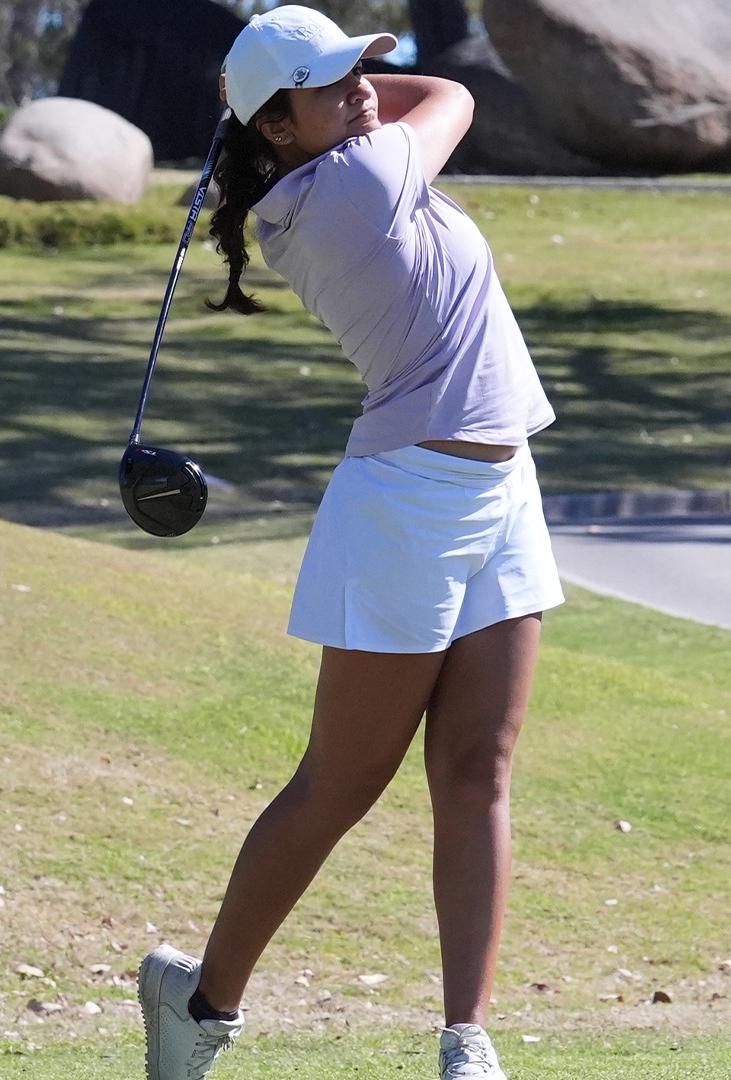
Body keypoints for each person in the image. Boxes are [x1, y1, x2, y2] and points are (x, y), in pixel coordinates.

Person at [136, 8, 562, 1080]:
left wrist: (345, 78)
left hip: (504, 486)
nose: (365, 92)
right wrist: (384, 80)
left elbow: (399, 106)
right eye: (331, 86)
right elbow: (453, 97)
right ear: (276, 128)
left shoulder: (341, 163)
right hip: (407, 504)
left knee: (480, 771)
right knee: (340, 784)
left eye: (356, 73)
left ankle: (467, 1041)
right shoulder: (357, 187)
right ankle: (202, 1005)